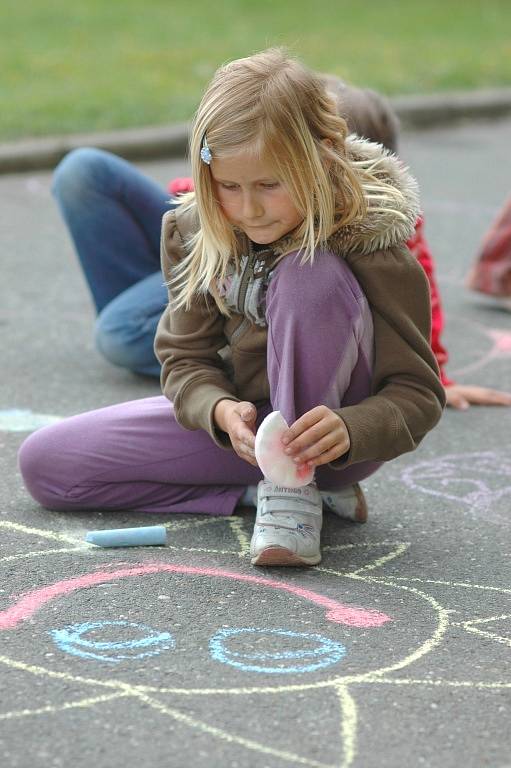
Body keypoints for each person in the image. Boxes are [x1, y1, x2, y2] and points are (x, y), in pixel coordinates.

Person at [19, 48, 444, 567]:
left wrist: (354, 427)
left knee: (309, 270)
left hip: (331, 445)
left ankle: (296, 495)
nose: (249, 209)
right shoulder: (195, 230)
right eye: (229, 187)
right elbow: (183, 360)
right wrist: (219, 411)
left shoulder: (373, 242)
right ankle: (258, 491)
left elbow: (418, 394)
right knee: (46, 466)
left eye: (270, 185)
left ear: (324, 156)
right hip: (248, 438)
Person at [51, 76, 511, 410]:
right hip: (215, 262)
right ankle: (166, 322)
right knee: (85, 170)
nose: (250, 203)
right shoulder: (235, 201)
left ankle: (180, 336)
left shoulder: (372, 227)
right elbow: (205, 197)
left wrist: (433, 372)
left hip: (249, 295)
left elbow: (417, 286)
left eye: (274, 181)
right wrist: (219, 194)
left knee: (119, 334)